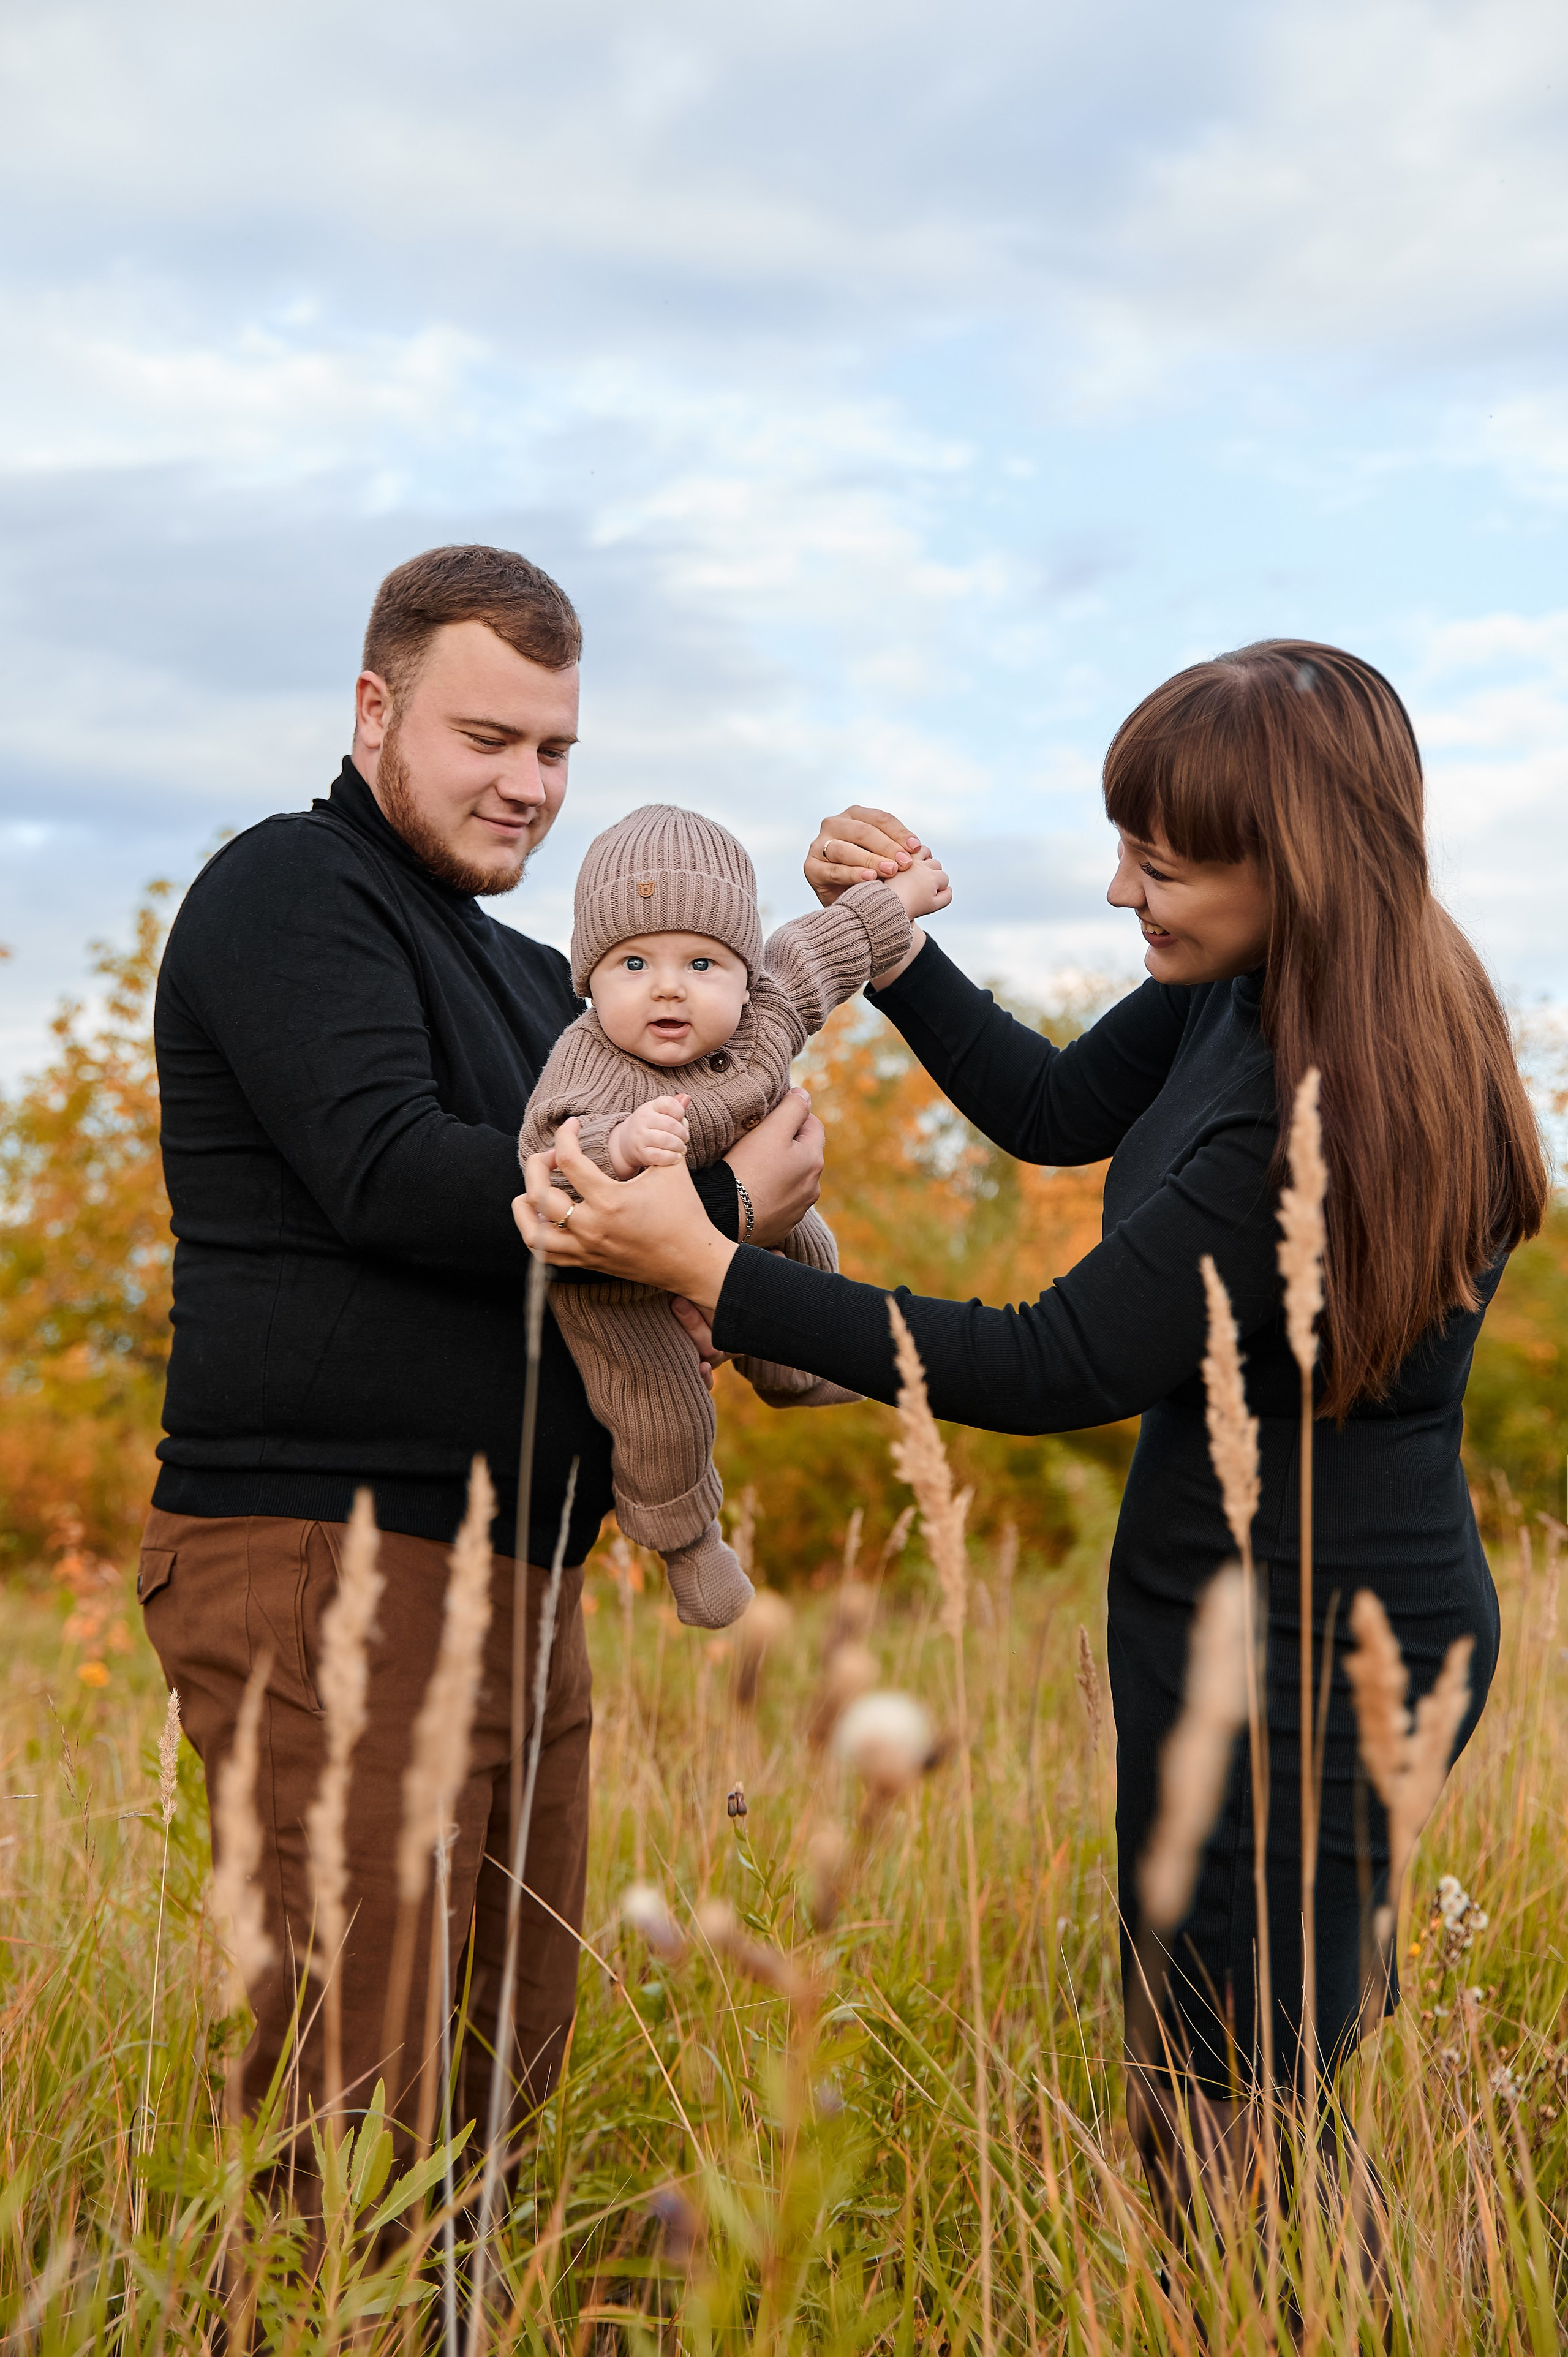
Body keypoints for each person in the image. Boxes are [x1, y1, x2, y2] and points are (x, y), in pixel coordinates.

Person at [516, 639, 1547, 2225]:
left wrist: (710, 1270)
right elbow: (1060, 1115)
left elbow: (1049, 1362)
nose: (1123, 888)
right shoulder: (1253, 989)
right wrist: (894, 953)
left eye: (1165, 858)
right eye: (1126, 840)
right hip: (1212, 1614)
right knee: (1214, 2068)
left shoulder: (1312, 1096)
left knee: (1230, 2097)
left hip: (1320, 1653)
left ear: (1298, 858)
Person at [136, 544, 824, 2169]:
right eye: (487, 738)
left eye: (555, 750)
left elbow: (613, 1238)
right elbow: (387, 1170)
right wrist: (716, 1202)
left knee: (495, 2084)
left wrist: (742, 1263)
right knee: (353, 2105)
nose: (528, 785)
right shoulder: (291, 889)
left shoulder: (539, 987)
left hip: (519, 1572)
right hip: (337, 1552)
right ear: (377, 711)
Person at [518, 801, 951, 1627]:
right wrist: (617, 1143)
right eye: (634, 963)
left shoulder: (765, 1015)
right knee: (657, 1403)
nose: (669, 987)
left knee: (806, 1238)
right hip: (617, 1281)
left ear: (744, 974)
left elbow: (822, 951)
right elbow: (550, 1160)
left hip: (744, 1222)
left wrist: (899, 902)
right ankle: (689, 1543)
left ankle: (800, 1363)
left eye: (704, 964)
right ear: (590, 981)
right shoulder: (590, 1058)